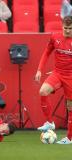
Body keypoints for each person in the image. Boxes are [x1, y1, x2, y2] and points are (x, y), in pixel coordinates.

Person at [35, 3, 72, 144]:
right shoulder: (55, 37)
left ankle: (69, 138)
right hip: (58, 73)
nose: (67, 31)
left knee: (70, 107)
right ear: (62, 26)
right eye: (65, 28)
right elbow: (46, 53)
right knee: (43, 91)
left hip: (70, 76)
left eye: (70, 28)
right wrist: (39, 70)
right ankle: (50, 122)